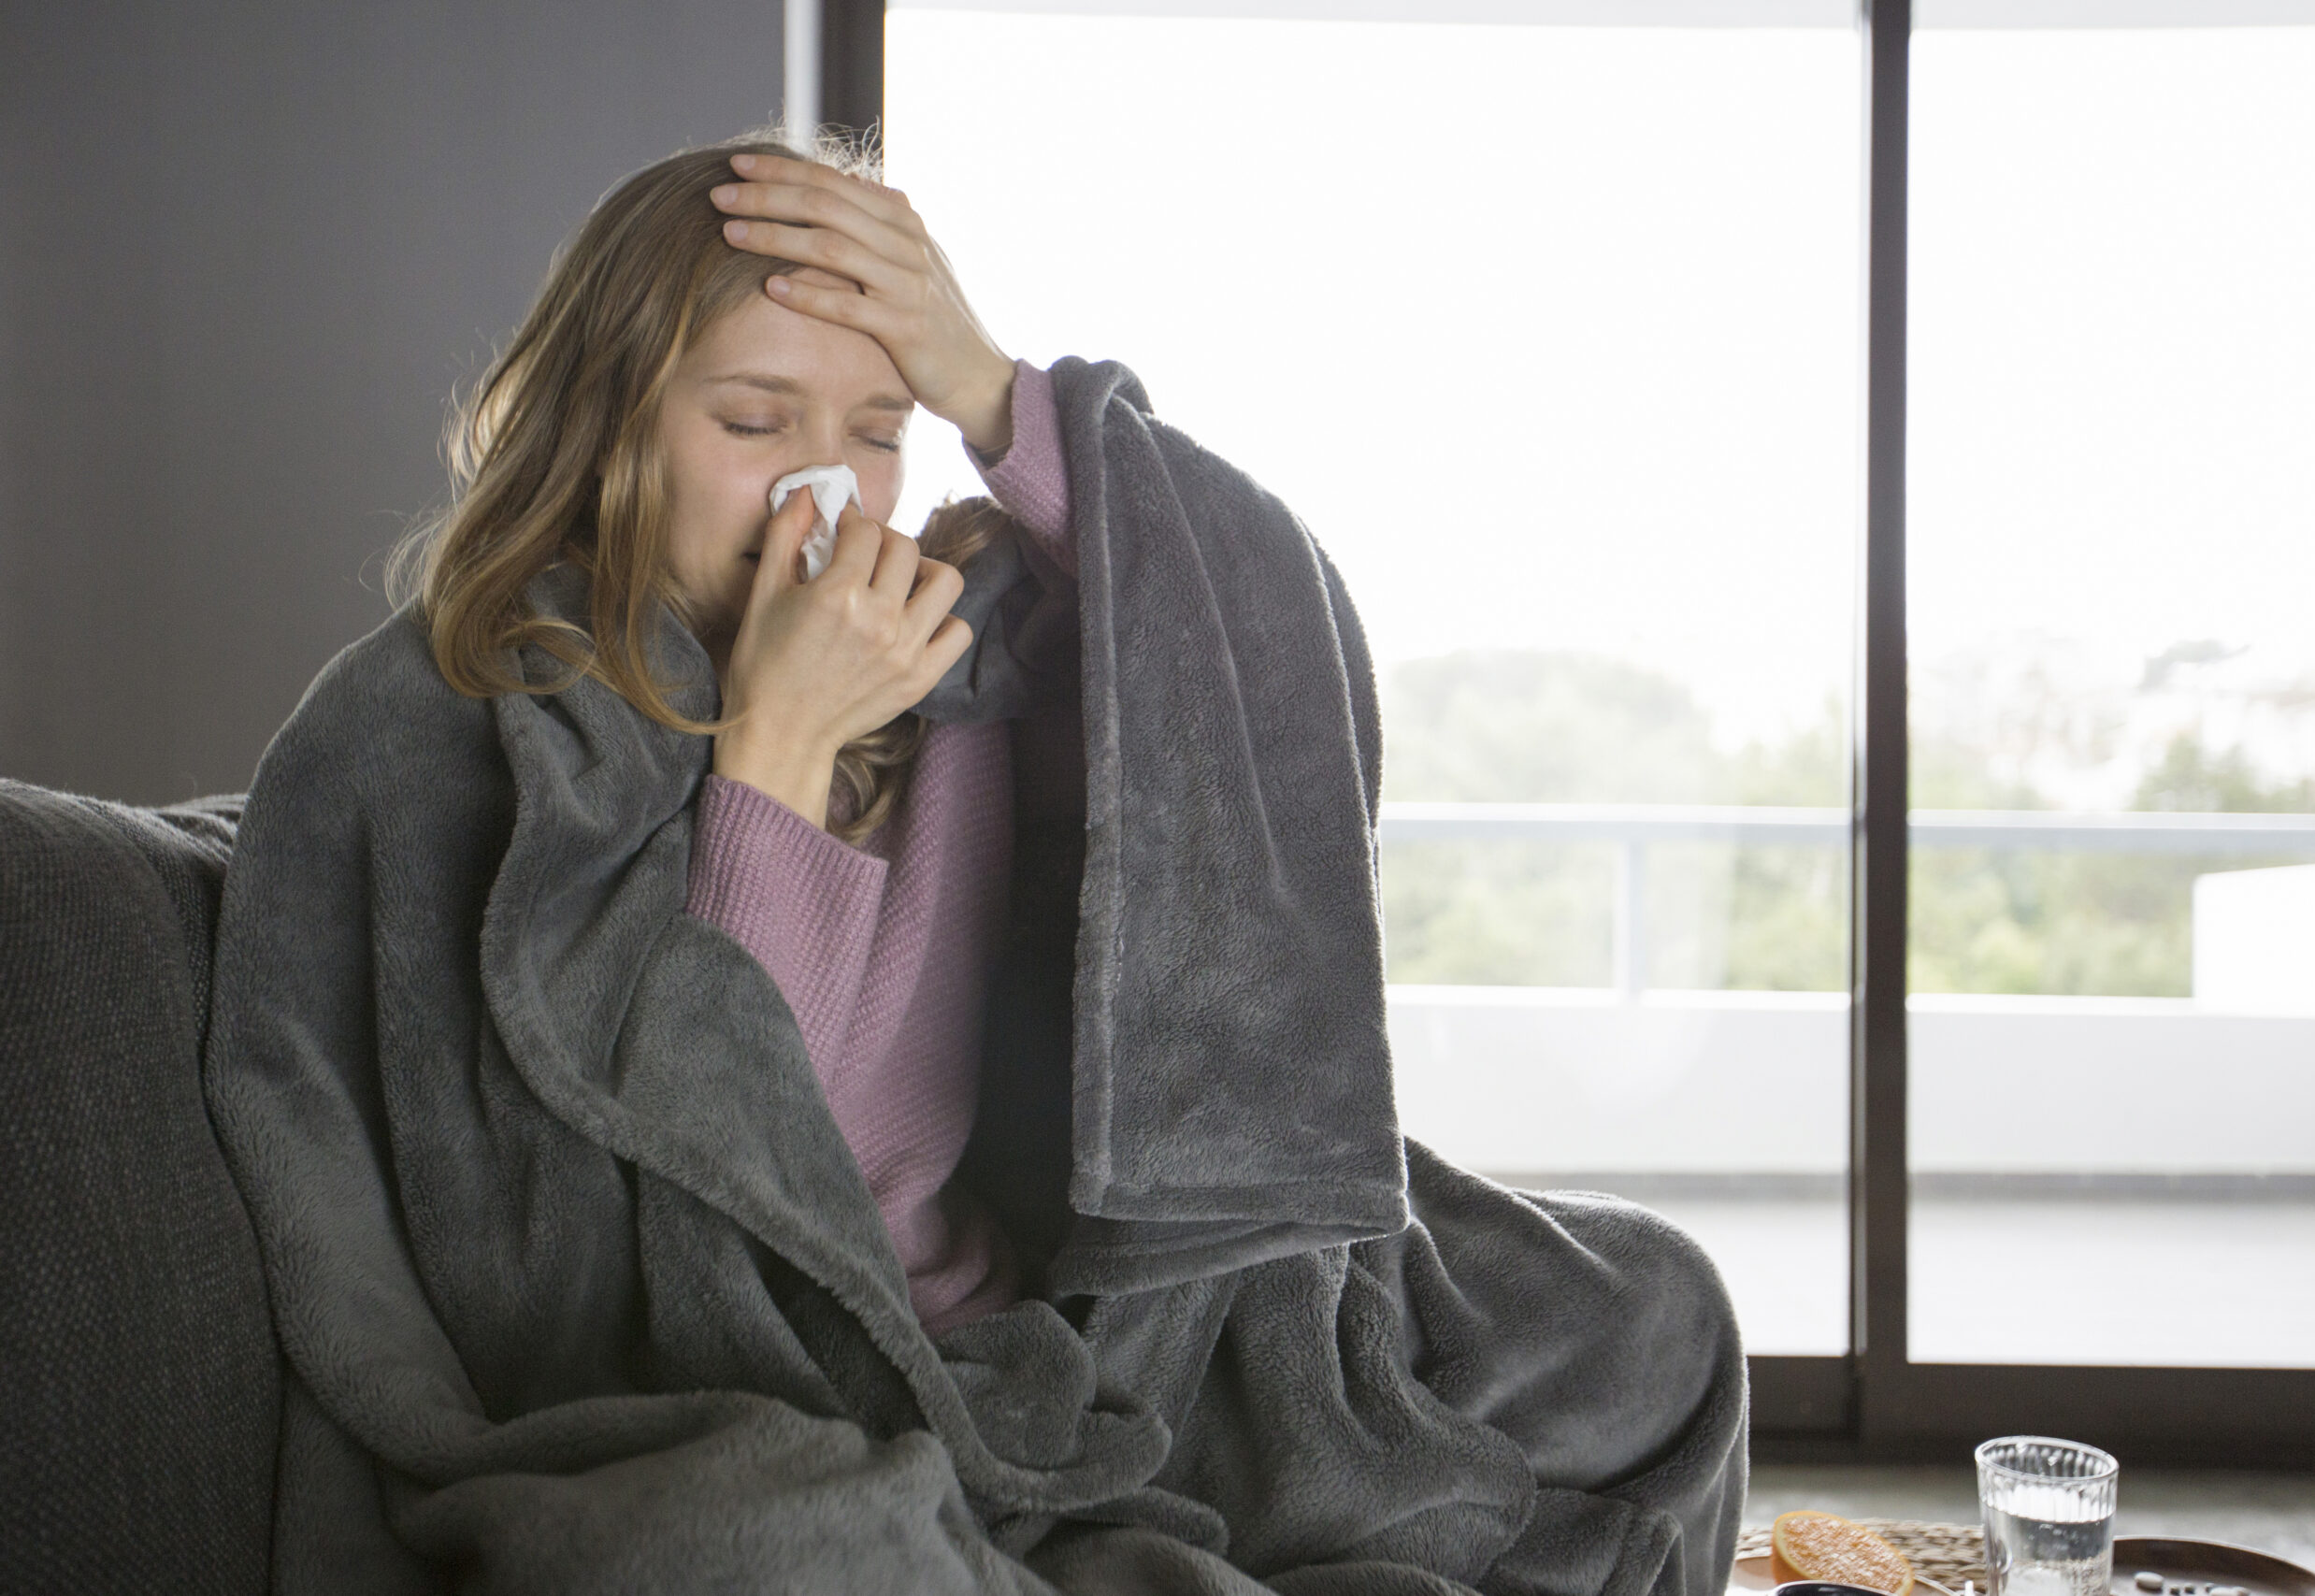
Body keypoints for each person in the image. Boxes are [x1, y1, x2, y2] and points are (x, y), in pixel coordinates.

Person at [202, 128, 1748, 1595]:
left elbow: (1256, 640)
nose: (826, 491)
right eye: (752, 424)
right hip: (782, 1397)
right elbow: (677, 1216)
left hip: (1080, 1344)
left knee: (1648, 1315)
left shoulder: (964, 651)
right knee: (754, 1551)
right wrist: (776, 760)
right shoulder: (475, 716)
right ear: (606, 430)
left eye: (877, 432)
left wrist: (996, 391)